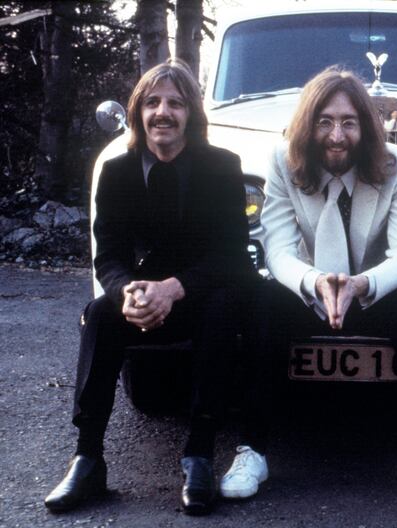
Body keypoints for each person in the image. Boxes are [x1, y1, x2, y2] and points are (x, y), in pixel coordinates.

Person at [218, 66, 397, 501]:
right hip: (309, 288)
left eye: (348, 122)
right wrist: (315, 281)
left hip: (372, 287)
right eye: (324, 122)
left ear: (365, 125)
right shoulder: (283, 163)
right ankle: (252, 449)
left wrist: (361, 284)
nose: (336, 136)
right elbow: (279, 251)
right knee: (264, 299)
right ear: (308, 125)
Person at [44, 59, 252, 516]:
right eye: (153, 102)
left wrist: (174, 288)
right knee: (99, 313)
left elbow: (232, 255)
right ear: (138, 111)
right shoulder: (116, 171)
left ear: (192, 114)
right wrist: (127, 294)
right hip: (140, 298)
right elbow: (108, 255)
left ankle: (199, 453)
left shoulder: (222, 167)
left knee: (223, 310)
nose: (164, 112)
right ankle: (88, 458)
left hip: (198, 295)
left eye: (176, 103)